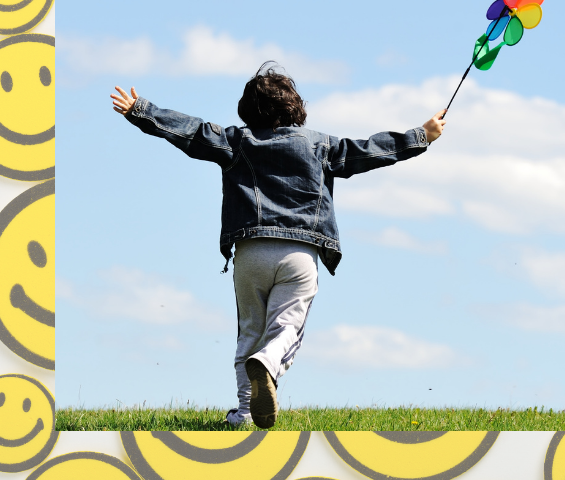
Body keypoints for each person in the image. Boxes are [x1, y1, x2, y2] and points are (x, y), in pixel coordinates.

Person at [110, 62, 446, 429]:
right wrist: (421, 136)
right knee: (287, 327)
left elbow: (193, 132)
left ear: (247, 111)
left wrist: (141, 110)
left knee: (249, 332)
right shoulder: (321, 145)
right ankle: (269, 364)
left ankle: (242, 415)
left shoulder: (236, 141)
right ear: (295, 108)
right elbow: (368, 151)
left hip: (251, 252)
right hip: (299, 255)